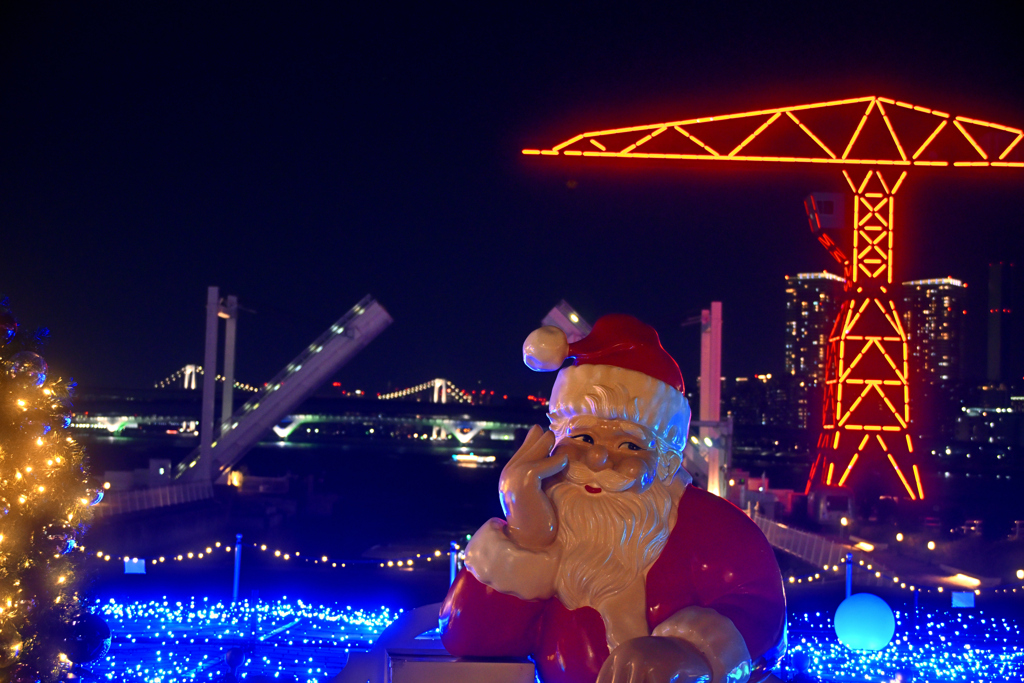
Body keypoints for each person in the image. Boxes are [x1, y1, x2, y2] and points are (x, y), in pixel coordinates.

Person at [440, 315, 787, 683]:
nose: (599, 459)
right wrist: (526, 535)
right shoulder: (551, 522)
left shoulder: (714, 527)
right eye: (584, 438)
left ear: (666, 460)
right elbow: (469, 639)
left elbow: (761, 611)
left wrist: (693, 652)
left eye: (630, 444)